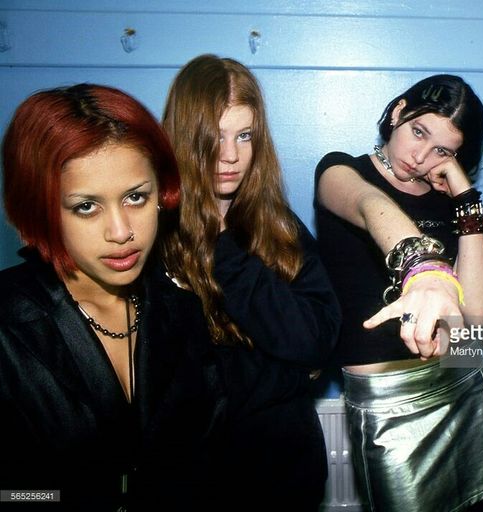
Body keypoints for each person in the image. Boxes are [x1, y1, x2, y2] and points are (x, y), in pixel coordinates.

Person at [0, 84, 225, 511]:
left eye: (135, 197)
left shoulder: (182, 312)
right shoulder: (9, 325)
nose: (121, 232)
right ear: (40, 209)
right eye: (86, 206)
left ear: (162, 193)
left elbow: (206, 464)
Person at [315, 74, 483, 511]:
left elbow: (476, 316)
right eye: (418, 132)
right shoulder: (342, 171)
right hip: (386, 401)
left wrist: (464, 196)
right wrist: (424, 268)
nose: (420, 156)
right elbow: (370, 205)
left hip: (460, 383)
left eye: (442, 149)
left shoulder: (445, 199)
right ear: (398, 112)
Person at [160, 54, 341, 509]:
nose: (230, 156)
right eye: (214, 137)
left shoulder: (278, 227)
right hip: (196, 482)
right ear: (185, 137)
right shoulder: (150, 234)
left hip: (287, 473)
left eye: (245, 136)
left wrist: (224, 251)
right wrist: (279, 363)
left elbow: (315, 340)